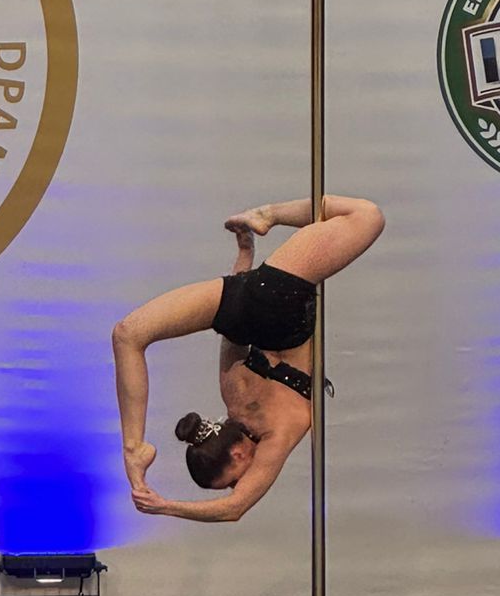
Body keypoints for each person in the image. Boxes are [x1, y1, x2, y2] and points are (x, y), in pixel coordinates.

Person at [112, 194, 385, 525]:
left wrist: (165, 506)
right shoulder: (233, 395)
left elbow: (234, 508)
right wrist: (245, 253)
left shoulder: (274, 435)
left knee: (368, 216)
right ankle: (133, 449)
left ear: (238, 453)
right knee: (128, 335)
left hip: (280, 303)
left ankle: (269, 214)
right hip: (243, 294)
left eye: (231, 481)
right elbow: (234, 326)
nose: (237, 485)